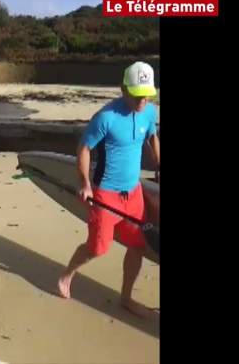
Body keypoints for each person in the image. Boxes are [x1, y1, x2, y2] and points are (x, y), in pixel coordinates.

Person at [57, 61, 160, 318]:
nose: (142, 100)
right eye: (136, 94)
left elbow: (151, 137)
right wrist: (85, 185)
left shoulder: (150, 112)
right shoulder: (106, 118)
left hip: (133, 192)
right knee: (98, 247)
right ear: (124, 89)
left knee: (137, 246)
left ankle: (126, 298)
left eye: (146, 93)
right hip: (106, 193)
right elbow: (83, 149)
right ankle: (67, 274)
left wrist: (159, 164)